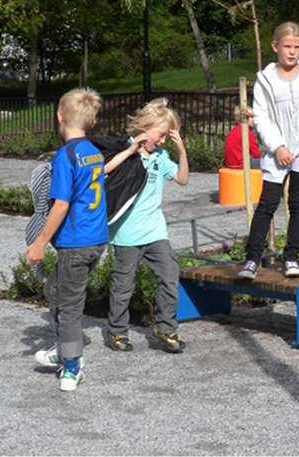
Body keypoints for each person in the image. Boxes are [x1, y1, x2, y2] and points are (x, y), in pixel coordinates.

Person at [26, 88, 108, 392]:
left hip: (76, 241)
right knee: (55, 290)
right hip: (96, 239)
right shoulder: (93, 152)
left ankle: (72, 364)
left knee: (69, 305)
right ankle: (64, 348)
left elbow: (60, 204)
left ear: (60, 116)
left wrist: (38, 243)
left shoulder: (66, 156)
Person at [238, 22, 299, 280]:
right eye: (287, 46)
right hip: (277, 150)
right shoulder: (265, 80)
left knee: (298, 204)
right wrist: (277, 146)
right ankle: (252, 259)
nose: (292, 52)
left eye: (297, 47)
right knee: (267, 203)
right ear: (275, 47)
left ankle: (292, 257)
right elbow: (262, 117)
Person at [103, 98, 189, 354]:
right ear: (146, 127)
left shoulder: (160, 156)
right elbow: (103, 170)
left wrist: (182, 151)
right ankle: (117, 332)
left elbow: (183, 179)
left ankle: (166, 329)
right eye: (161, 135)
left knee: (169, 276)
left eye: (166, 137)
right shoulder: (124, 150)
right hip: (126, 234)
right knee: (123, 286)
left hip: (155, 231)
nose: (162, 141)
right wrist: (130, 152)